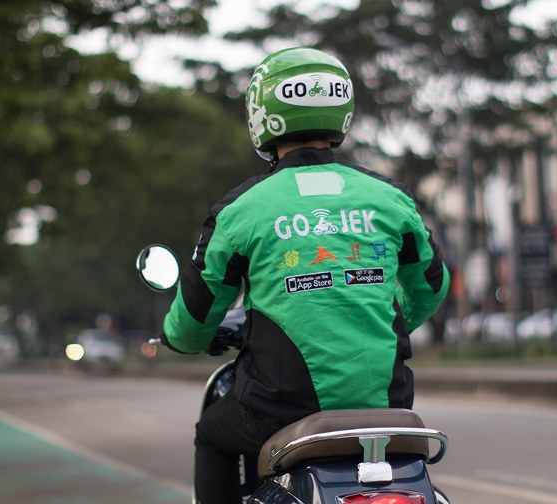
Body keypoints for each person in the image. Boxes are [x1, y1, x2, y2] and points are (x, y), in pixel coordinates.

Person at [160, 46, 450, 503]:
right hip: (388, 409)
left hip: (276, 411)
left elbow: (195, 320)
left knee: (211, 434)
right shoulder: (391, 198)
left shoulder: (240, 210)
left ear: (263, 114)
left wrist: (179, 339)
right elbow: (431, 286)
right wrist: (378, 320)